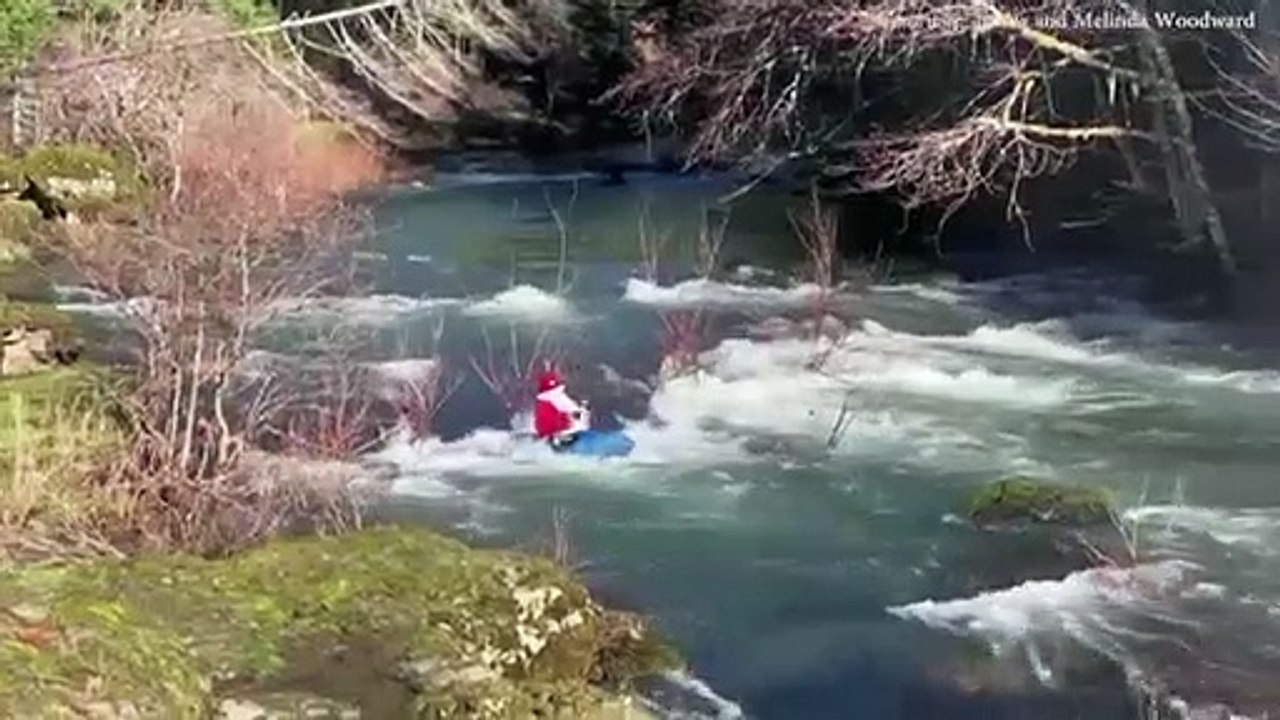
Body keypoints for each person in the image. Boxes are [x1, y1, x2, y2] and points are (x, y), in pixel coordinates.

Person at [534, 369, 590, 449]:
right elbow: (573, 410)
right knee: (581, 416)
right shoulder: (557, 396)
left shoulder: (541, 399)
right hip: (562, 433)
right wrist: (584, 408)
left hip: (545, 433)